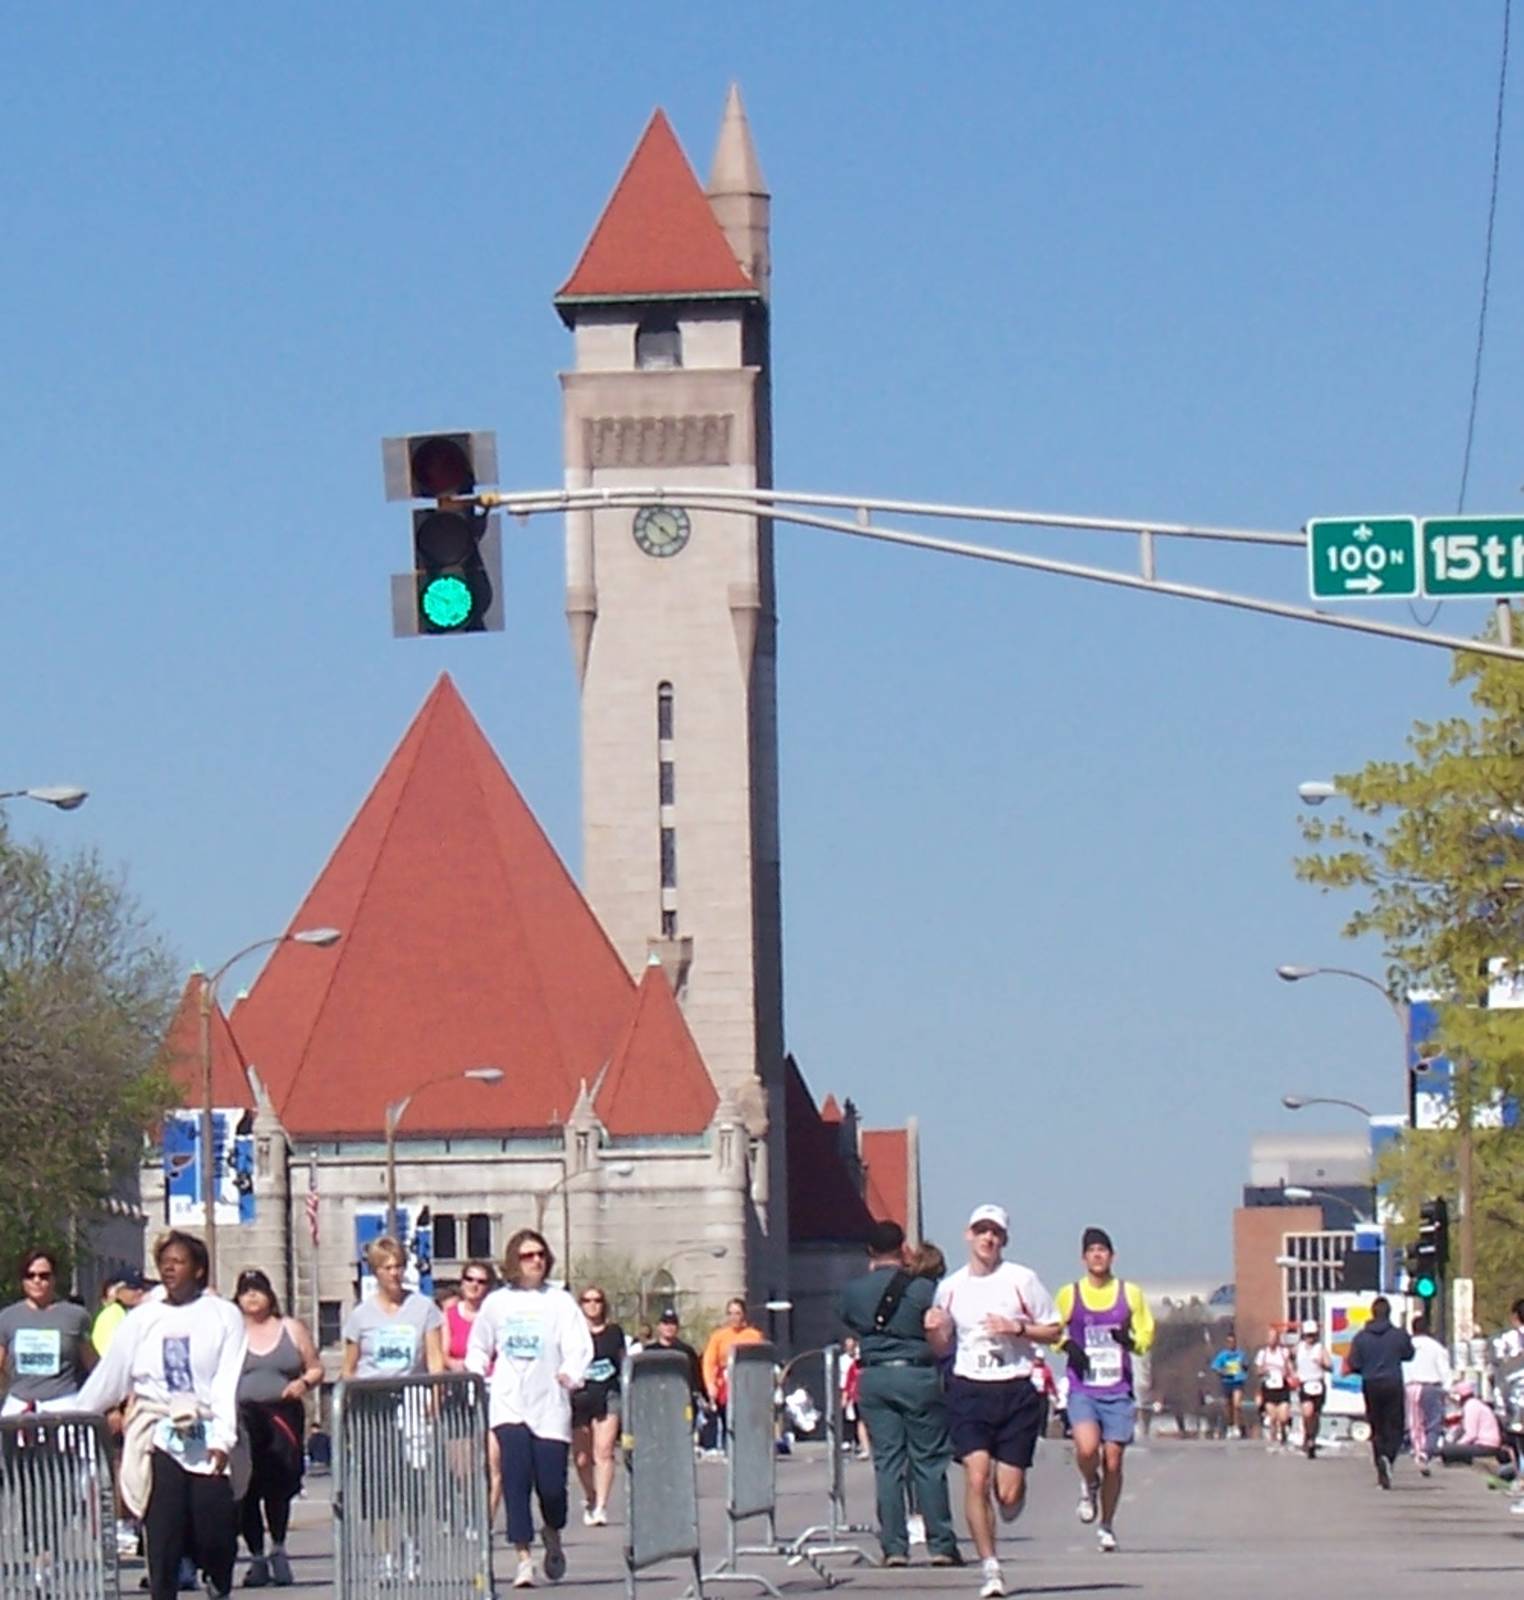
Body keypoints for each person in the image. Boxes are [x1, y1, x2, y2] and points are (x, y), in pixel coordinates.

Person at [77, 1230, 247, 1600]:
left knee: (213, 1526)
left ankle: (217, 1578)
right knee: (163, 1530)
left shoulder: (224, 1316)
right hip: (158, 1431)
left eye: (179, 1262)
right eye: (164, 1263)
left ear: (199, 1270)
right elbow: (112, 1374)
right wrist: (76, 1416)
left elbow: (226, 1381)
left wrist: (223, 1438)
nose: (169, 1269)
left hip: (207, 1429)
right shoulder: (143, 1318)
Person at [927, 1204, 1060, 1600]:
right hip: (970, 1388)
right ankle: (990, 1568)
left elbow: (1053, 1330)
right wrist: (935, 1330)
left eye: (995, 1233)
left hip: (1016, 1388)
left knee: (1008, 1493)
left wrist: (1016, 1327)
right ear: (968, 1235)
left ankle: (1014, 1496)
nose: (988, 1239)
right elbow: (940, 1346)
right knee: (976, 1476)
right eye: (981, 1231)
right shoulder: (950, 1287)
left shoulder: (1021, 1279)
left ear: (1004, 1240)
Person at [467, 1228, 592, 1590]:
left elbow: (578, 1346)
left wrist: (570, 1373)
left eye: (540, 1254)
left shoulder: (559, 1301)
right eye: (527, 1255)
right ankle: (523, 1558)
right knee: (514, 1480)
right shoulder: (497, 1303)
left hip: (550, 1406)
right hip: (509, 1405)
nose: (536, 1260)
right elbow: (480, 1345)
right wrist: (477, 1373)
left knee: (551, 1487)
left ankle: (552, 1532)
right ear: (513, 1262)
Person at [838, 1218, 962, 1570]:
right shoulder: (924, 1290)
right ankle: (940, 1543)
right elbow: (939, 1333)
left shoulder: (853, 1291)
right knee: (928, 1460)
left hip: (874, 1376)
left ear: (870, 1252)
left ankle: (894, 1546)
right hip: (917, 1374)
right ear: (903, 1248)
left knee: (888, 1462)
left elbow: (848, 1320)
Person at [1053, 1227, 1154, 1554]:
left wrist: (1132, 1341)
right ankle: (1088, 1482)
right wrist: (1067, 1345)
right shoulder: (1070, 1293)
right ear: (1083, 1258)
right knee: (1087, 1448)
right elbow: (1051, 1329)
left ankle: (1107, 1524)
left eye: (1103, 1250)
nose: (1098, 1255)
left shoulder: (1130, 1293)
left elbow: (1146, 1334)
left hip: (1117, 1386)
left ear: (1112, 1256)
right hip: (1084, 1385)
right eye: (1092, 1250)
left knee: (1113, 1460)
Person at [234, 1268, 322, 1587]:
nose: (252, 1296)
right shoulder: (232, 1331)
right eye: (245, 1290)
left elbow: (315, 1368)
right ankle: (256, 1557)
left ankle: (279, 1550)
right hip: (243, 1417)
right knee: (246, 1490)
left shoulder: (290, 1328)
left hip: (282, 1416)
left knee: (278, 1489)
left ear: (270, 1295)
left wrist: (302, 1383)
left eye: (258, 1289)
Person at [0, 1246, 98, 1415]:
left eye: (44, 1276)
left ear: (54, 1279)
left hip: (63, 1403)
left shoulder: (75, 1316)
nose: (37, 1281)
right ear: (22, 1280)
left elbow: (93, 1364)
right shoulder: (7, 1317)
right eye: (30, 1276)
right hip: (19, 1406)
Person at [341, 1236, 445, 1380]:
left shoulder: (425, 1307)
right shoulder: (360, 1315)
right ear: (376, 1271)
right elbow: (348, 1369)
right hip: (372, 1394)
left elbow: (436, 1363)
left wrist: (434, 1400)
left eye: (398, 1266)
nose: (394, 1273)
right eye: (388, 1268)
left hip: (412, 1393)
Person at [444, 1261, 502, 1517]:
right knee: (462, 1465)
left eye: (481, 1282)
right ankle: (469, 1512)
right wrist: (460, 1366)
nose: (474, 1286)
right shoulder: (449, 1315)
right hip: (459, 1390)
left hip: (492, 1388)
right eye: (470, 1279)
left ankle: (486, 1520)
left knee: (493, 1461)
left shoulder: (496, 1315)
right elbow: (443, 1353)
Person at [1344, 1296, 1414, 1489]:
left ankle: (1381, 1465)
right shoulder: (1398, 1335)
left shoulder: (1361, 1337)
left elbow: (1354, 1363)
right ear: (1389, 1313)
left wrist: (1367, 1367)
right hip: (1392, 1382)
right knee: (1396, 1425)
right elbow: (1409, 1354)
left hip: (1371, 1383)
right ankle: (1389, 1456)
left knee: (1377, 1426)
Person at [570, 1283, 625, 1527]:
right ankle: (591, 1496)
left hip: (608, 1394)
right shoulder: (571, 1332)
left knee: (603, 1452)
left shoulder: (614, 1332)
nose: (592, 1305)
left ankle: (601, 1505)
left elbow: (623, 1362)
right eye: (587, 1300)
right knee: (582, 1458)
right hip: (579, 1397)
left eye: (597, 1300)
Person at [701, 1298, 765, 1443]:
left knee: (747, 1421)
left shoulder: (754, 1335)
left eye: (737, 1313)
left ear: (744, 1315)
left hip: (748, 1384)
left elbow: (761, 1361)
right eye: (730, 1313)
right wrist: (710, 1385)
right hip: (726, 1385)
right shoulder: (718, 1337)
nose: (734, 1317)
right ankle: (728, 1449)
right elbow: (709, 1362)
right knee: (728, 1420)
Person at [1402, 1313, 1453, 1476]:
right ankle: (1426, 1451)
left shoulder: (1406, 1345)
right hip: (1431, 1386)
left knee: (1414, 1423)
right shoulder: (1436, 1347)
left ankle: (1418, 1451)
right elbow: (1445, 1370)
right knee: (1433, 1423)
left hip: (1410, 1386)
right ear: (1428, 1329)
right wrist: (1447, 1389)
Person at [1439, 1380, 1506, 1466]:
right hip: (1488, 1445)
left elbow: (1471, 1435)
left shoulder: (1471, 1406)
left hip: (1485, 1446)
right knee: (1451, 1449)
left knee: (1447, 1450)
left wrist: (1458, 1446)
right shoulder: (1476, 1404)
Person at [1291, 1319, 1332, 1458]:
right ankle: (1307, 1436)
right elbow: (1288, 1358)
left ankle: (1312, 1440)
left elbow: (1330, 1366)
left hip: (1318, 1383)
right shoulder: (1299, 1348)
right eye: (1308, 1335)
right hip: (1305, 1383)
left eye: (1313, 1335)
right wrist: (1292, 1372)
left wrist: (1322, 1363)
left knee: (1315, 1415)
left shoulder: (1320, 1348)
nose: (1310, 1338)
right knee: (1307, 1413)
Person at [91, 1269, 149, 1357]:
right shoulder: (111, 1315)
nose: (140, 1291)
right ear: (118, 1291)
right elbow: (110, 1354)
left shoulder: (133, 1313)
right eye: (133, 1287)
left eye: (142, 1287)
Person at [1253, 1326, 1293, 1450]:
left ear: (1278, 1339)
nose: (1272, 1340)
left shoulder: (1284, 1352)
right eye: (1270, 1337)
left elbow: (1290, 1367)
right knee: (1273, 1417)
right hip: (1269, 1388)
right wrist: (1263, 1370)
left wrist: (1289, 1372)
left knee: (1283, 1417)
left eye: (1275, 1337)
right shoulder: (1262, 1353)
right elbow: (1257, 1371)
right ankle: (1273, 1440)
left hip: (1282, 1387)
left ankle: (1284, 1435)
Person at [1209, 1332, 1247, 1437]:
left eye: (1233, 1342)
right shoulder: (1223, 1355)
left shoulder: (1241, 1354)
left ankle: (1237, 1426)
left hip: (1238, 1382)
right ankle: (1230, 1425)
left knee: (1237, 1404)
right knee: (1228, 1406)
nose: (1231, 1344)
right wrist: (1223, 1371)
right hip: (1226, 1382)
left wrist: (1243, 1366)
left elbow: (1246, 1366)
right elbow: (1215, 1367)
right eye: (1229, 1342)